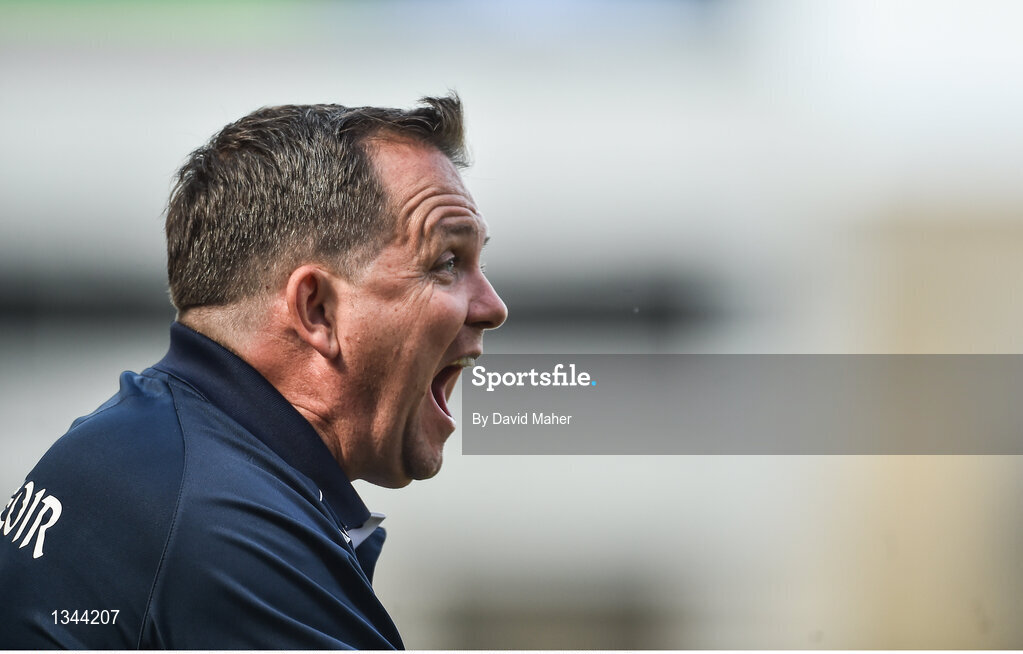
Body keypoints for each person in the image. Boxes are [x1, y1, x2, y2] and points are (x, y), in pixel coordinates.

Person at [0, 95, 507, 649]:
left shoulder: (144, 445)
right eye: (447, 263)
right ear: (317, 310)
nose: (493, 307)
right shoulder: (229, 526)